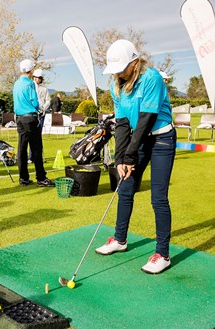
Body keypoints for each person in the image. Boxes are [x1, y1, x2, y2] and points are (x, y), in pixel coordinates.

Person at [95, 39, 176, 274]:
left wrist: (130, 156)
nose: (118, 73)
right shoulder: (115, 87)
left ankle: (163, 254)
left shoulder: (152, 78)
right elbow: (121, 124)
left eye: (121, 67)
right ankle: (120, 240)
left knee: (158, 197)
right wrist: (121, 159)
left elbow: (146, 119)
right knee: (125, 186)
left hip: (161, 138)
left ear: (134, 62)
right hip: (139, 138)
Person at [13, 59, 54, 188]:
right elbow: (35, 103)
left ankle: (23, 178)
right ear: (30, 71)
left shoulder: (16, 84)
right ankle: (41, 178)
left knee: (22, 149)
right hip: (30, 118)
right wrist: (39, 108)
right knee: (36, 148)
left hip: (19, 118)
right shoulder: (30, 84)